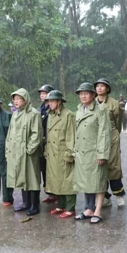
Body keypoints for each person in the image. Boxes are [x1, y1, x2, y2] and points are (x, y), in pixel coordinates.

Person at [73, 82, 110, 224]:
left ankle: (98, 210)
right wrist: (75, 152)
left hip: (95, 152)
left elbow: (104, 134)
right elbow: (76, 133)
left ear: (93, 95)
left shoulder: (100, 110)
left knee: (98, 181)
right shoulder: (79, 110)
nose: (83, 96)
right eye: (81, 93)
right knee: (86, 181)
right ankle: (88, 208)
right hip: (82, 152)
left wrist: (102, 154)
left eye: (86, 93)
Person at [6, 88, 43, 215]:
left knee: (32, 179)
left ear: (25, 99)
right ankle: (26, 203)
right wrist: (8, 151)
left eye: (18, 98)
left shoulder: (33, 113)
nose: (16, 101)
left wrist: (29, 150)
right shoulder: (15, 114)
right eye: (14, 99)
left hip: (28, 153)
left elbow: (36, 133)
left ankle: (35, 205)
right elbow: (10, 134)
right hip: (16, 153)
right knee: (21, 178)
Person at [43, 90, 77, 218]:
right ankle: (60, 205)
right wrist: (46, 150)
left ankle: (70, 207)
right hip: (52, 152)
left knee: (67, 180)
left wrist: (70, 153)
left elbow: (71, 136)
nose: (50, 104)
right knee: (56, 180)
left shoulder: (68, 115)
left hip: (63, 152)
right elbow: (48, 135)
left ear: (59, 102)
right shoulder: (50, 115)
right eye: (49, 101)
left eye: (52, 101)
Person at [94, 78, 126, 208]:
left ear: (107, 88)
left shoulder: (114, 103)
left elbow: (118, 122)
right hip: (97, 137)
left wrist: (114, 134)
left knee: (114, 167)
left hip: (112, 136)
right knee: (100, 168)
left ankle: (119, 195)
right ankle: (105, 197)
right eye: (98, 86)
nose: (100, 88)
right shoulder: (93, 103)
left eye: (103, 86)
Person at [37, 84, 57, 204]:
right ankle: (49, 192)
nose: (42, 95)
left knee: (53, 168)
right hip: (42, 143)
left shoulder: (52, 109)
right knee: (44, 169)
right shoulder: (40, 109)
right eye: (41, 93)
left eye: (45, 93)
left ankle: (57, 193)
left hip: (52, 142)